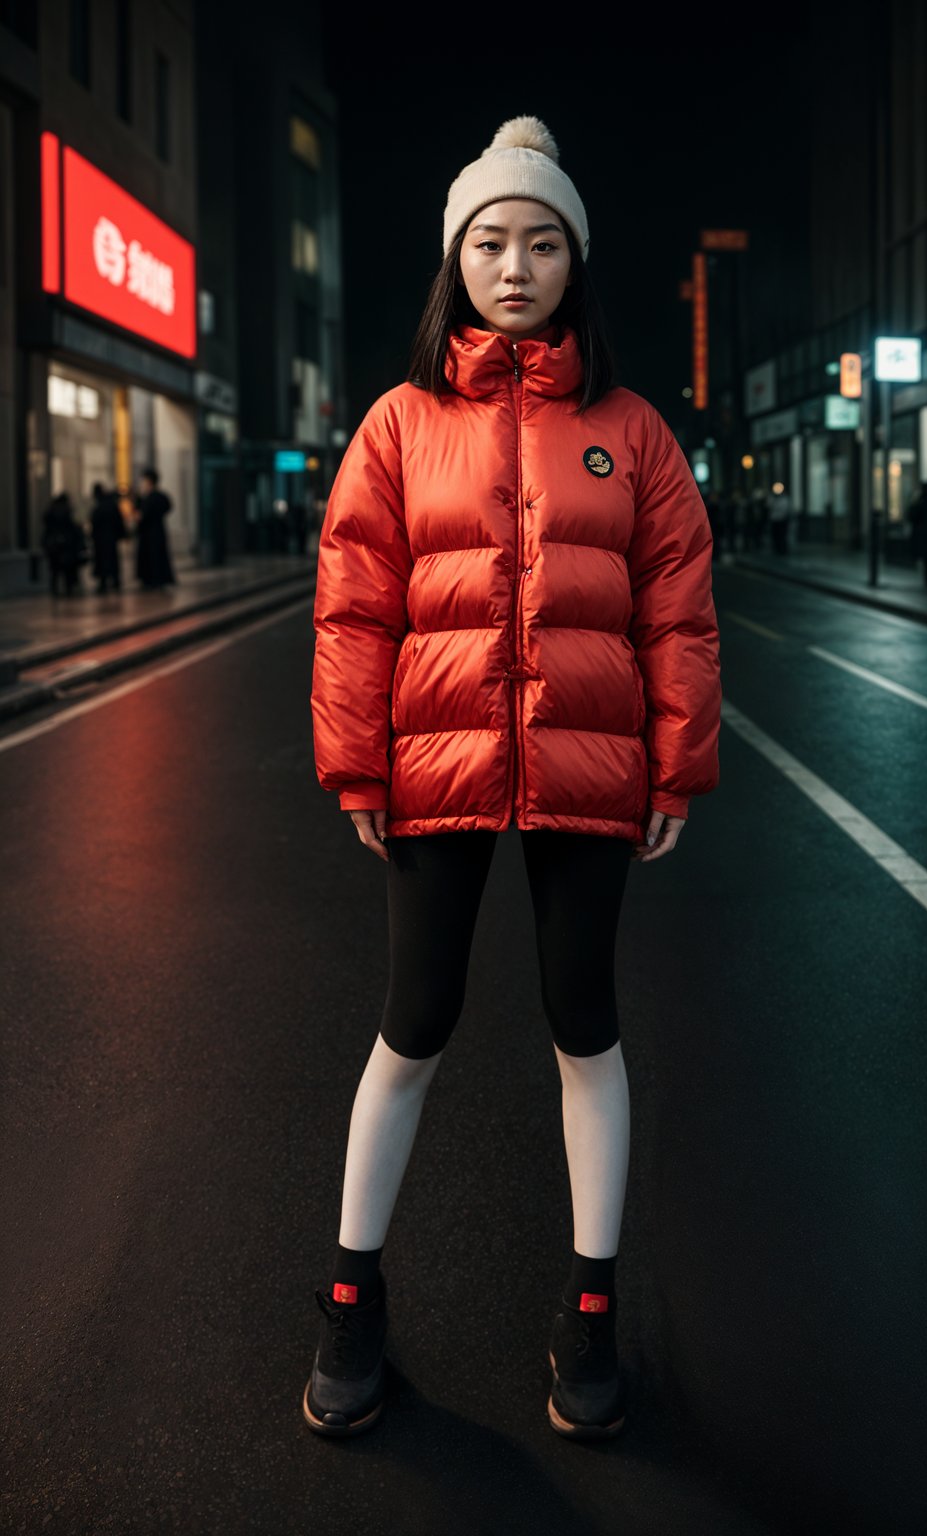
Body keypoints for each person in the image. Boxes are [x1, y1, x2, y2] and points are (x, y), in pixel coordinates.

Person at [306, 116, 721, 1443]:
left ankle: (590, 1308)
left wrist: (679, 760)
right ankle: (349, 1293)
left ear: (574, 262)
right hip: (434, 762)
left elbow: (678, 610)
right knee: (412, 1023)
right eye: (491, 240)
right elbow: (355, 610)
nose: (516, 262)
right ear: (457, 262)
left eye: (543, 241)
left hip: (593, 762)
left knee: (582, 1022)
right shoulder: (398, 425)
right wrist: (352, 762)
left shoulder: (633, 432)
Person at [133, 467, 176, 588]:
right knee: (158, 555)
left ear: (149, 481)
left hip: (148, 533)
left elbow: (141, 515)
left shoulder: (149, 498)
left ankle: (151, 579)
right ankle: (158, 579)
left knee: (151, 557)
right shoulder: (161, 496)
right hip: (158, 531)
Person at [41, 491, 86, 596]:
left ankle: (55, 590)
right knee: (67, 570)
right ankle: (68, 589)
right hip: (65, 545)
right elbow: (73, 529)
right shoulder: (65, 513)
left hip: (54, 545)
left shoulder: (50, 513)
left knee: (55, 571)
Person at [88, 481, 126, 593]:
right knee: (112, 560)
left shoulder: (100, 506)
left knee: (103, 561)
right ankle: (115, 581)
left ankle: (104, 582)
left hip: (101, 538)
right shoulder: (111, 504)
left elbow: (95, 521)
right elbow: (118, 520)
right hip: (110, 537)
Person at [768, 482, 791, 554]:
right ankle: (776, 549)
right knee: (775, 536)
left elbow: (785, 509)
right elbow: (769, 506)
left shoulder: (785, 498)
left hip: (782, 520)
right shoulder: (772, 498)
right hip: (775, 520)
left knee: (782, 536)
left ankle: (782, 550)